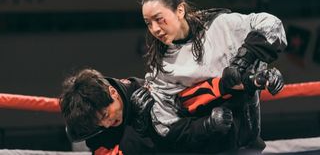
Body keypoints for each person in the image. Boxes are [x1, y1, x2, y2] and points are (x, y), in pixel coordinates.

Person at [140, 0, 287, 153]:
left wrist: (244, 61)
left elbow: (272, 25)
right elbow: (165, 126)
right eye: (148, 23)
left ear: (180, 11)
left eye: (159, 19)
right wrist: (206, 125)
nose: (155, 29)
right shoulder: (162, 67)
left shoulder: (219, 26)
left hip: (245, 142)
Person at [59, 67, 283, 154]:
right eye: (101, 123)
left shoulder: (154, 90)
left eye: (107, 115)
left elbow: (201, 93)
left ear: (113, 93)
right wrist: (138, 132)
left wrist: (252, 81)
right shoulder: (95, 126)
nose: (107, 124)